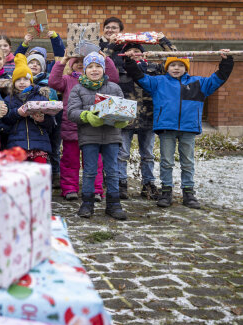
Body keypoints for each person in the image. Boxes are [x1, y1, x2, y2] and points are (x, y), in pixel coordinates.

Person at [123, 50, 234, 209]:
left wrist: (226, 62)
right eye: (172, 65)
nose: (176, 68)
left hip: (188, 129)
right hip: (166, 128)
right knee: (166, 161)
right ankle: (166, 191)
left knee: (187, 162)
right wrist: (129, 61)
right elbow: (139, 77)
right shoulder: (158, 82)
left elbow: (218, 79)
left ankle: (188, 192)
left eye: (180, 65)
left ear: (186, 68)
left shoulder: (198, 83)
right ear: (166, 67)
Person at [49, 51, 119, 202]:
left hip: (94, 130)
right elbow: (53, 82)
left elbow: (114, 78)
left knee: (95, 162)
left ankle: (96, 190)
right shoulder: (67, 80)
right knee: (70, 160)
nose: (80, 63)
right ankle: (69, 188)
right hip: (71, 127)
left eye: (83, 61)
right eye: (77, 61)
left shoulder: (102, 83)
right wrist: (63, 60)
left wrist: (106, 59)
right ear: (71, 65)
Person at [66, 52, 128, 220]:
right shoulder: (78, 89)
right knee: (90, 171)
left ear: (104, 68)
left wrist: (122, 120)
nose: (94, 70)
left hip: (111, 136)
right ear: (84, 70)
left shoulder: (114, 88)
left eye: (98, 66)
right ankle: (87, 204)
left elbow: (123, 108)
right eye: (90, 67)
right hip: (89, 136)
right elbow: (71, 112)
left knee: (112, 171)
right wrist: (87, 116)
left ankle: (114, 205)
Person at [115, 39, 175, 200]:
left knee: (148, 154)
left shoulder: (154, 68)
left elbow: (175, 59)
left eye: (137, 50)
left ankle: (148, 184)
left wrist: (163, 43)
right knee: (122, 153)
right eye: (130, 51)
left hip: (148, 116)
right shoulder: (118, 69)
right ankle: (121, 183)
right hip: (125, 118)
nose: (134, 54)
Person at [0, 54, 53, 162]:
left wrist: (42, 119)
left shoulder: (41, 97)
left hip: (39, 143)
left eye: (25, 79)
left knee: (39, 173)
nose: (22, 82)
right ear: (14, 82)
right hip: (16, 143)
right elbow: (4, 120)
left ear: (31, 81)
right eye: (18, 80)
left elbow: (51, 123)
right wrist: (17, 113)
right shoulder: (8, 99)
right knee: (20, 175)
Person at [26, 50, 61, 184]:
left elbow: (53, 101)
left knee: (53, 147)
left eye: (37, 64)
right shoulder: (22, 82)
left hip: (48, 121)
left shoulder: (48, 82)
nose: (34, 65)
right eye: (31, 63)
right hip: (30, 122)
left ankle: (55, 173)